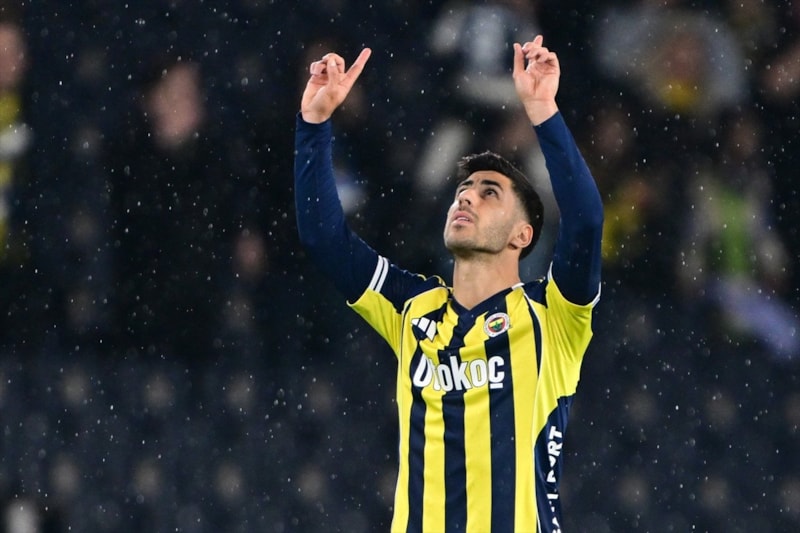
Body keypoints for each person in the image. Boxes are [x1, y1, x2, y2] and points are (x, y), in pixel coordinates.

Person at [294, 34, 603, 532]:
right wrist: (314, 125)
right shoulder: (413, 308)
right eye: (463, 190)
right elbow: (323, 238)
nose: (466, 198)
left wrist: (543, 112)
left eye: (489, 192)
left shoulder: (552, 316)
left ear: (522, 235)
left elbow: (585, 222)